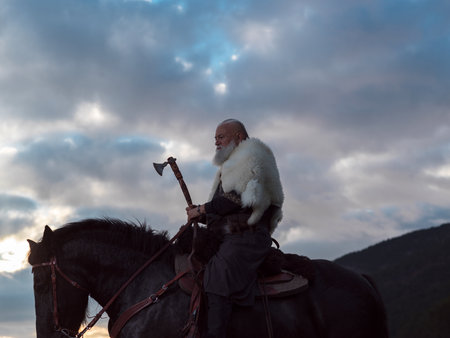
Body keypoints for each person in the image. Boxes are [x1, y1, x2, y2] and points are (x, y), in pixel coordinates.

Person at [186, 119, 284, 338]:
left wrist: (202, 209)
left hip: (248, 236)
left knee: (219, 275)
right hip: (228, 235)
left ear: (239, 136)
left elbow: (239, 199)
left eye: (221, 137)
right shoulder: (232, 164)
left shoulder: (252, 156)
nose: (217, 143)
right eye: (215, 139)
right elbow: (224, 211)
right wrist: (200, 215)